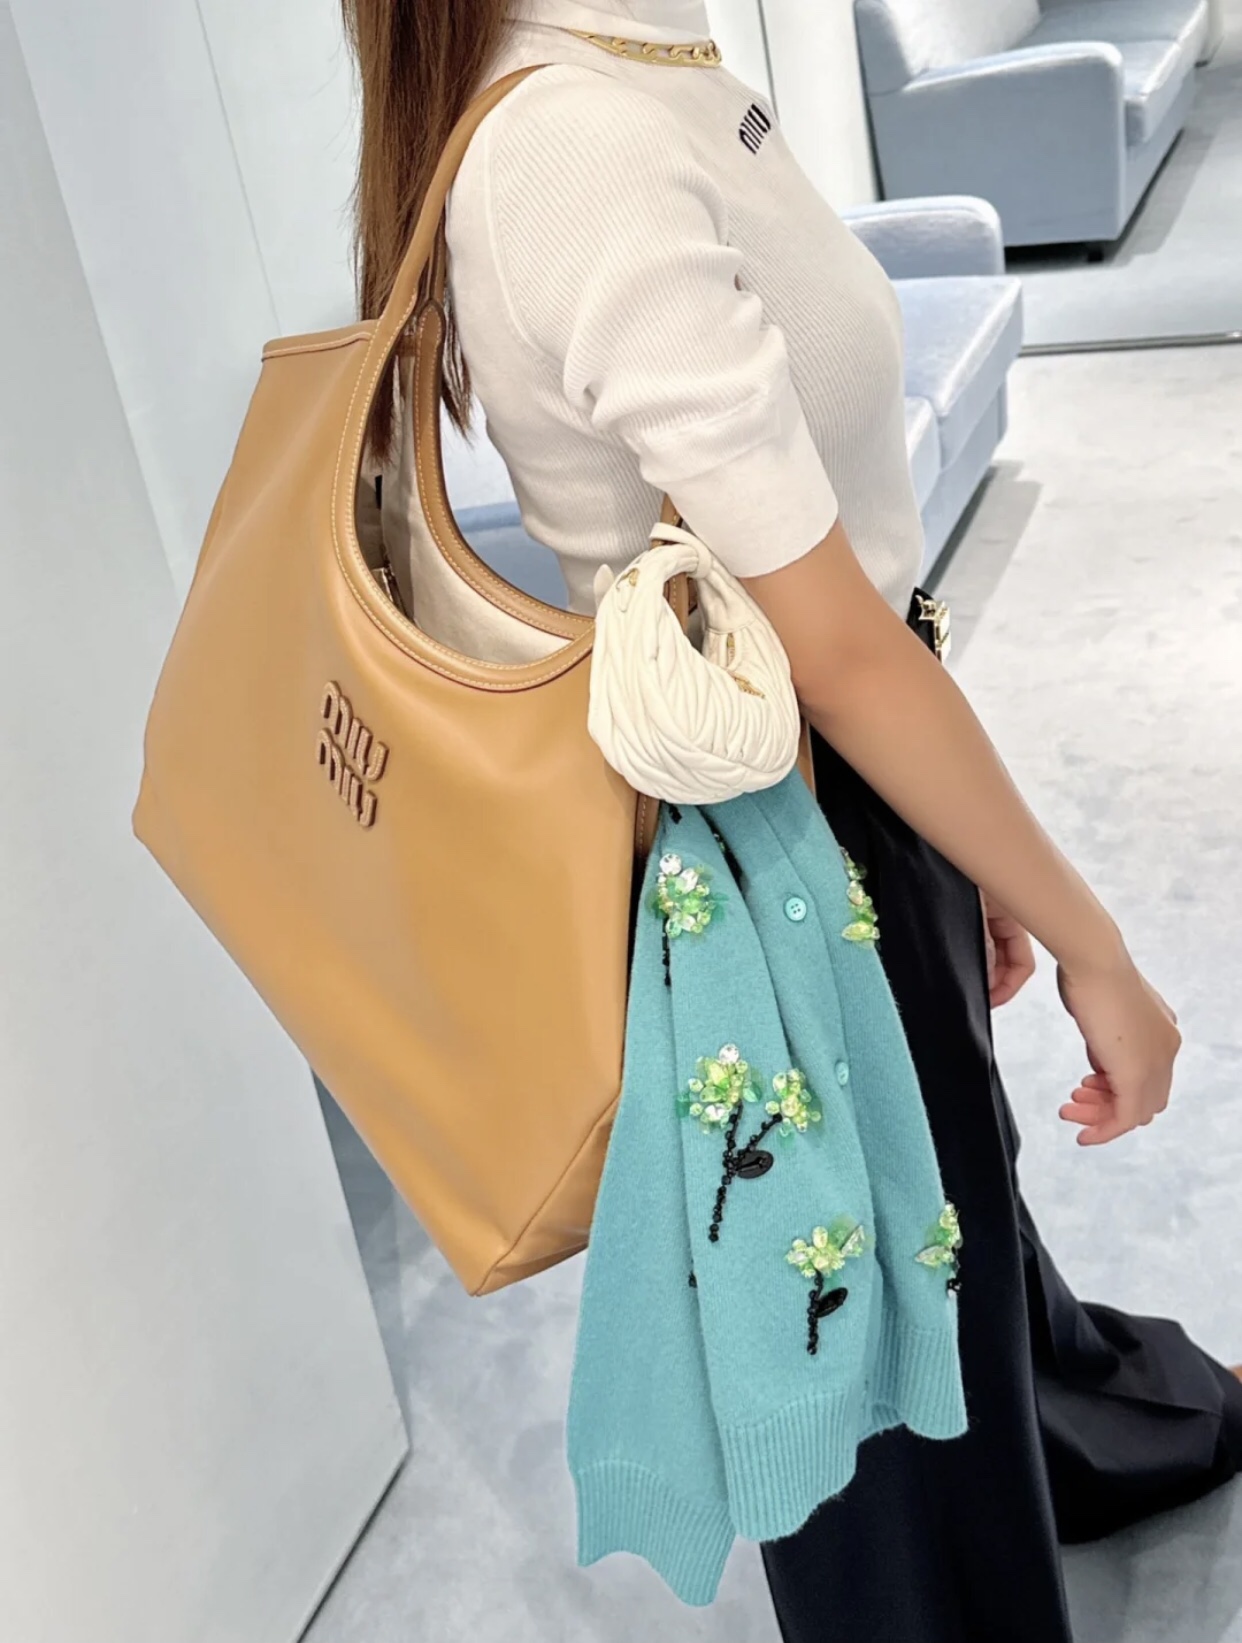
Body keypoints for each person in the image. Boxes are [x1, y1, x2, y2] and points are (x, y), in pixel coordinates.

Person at [338, 2, 1242, 1638]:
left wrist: (961, 845)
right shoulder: (575, 144)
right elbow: (829, 652)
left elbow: (847, 608)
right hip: (782, 834)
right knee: (870, 1345)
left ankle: (1069, 1432)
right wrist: (1097, 945)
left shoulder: (652, 61)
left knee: (942, 1218)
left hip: (852, 785)